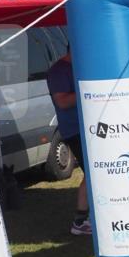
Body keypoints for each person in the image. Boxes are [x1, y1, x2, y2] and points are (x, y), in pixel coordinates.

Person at [46, 46, 90, 235]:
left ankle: (86, 218)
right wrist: (88, 90)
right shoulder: (58, 71)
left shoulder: (82, 65)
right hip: (75, 130)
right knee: (93, 173)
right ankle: (80, 221)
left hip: (93, 128)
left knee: (95, 173)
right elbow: (62, 101)